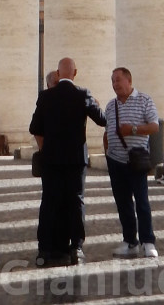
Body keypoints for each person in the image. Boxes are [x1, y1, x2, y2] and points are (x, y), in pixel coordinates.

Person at [28, 55, 107, 267]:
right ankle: (76, 248)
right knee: (76, 202)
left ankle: (44, 250)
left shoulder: (45, 97)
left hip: (51, 159)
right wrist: (95, 103)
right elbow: (102, 120)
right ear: (75, 73)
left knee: (49, 202)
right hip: (75, 160)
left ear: (57, 73)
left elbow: (34, 128)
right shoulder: (83, 95)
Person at [104, 66, 159, 259]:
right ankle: (130, 242)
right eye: (112, 81)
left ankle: (148, 241)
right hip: (115, 161)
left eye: (118, 80)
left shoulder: (145, 100)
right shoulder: (111, 105)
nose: (115, 84)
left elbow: (154, 126)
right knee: (123, 203)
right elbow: (107, 130)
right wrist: (107, 152)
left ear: (129, 80)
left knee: (141, 202)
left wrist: (133, 130)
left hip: (136, 160)